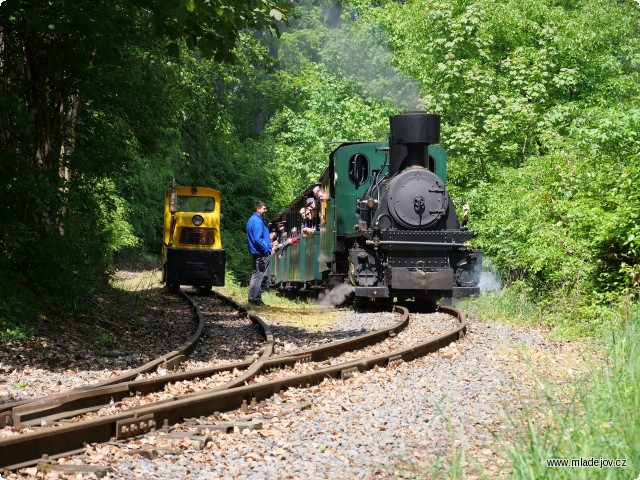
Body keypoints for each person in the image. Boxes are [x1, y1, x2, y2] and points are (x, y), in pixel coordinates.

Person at [246, 201, 272, 306]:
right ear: (258, 209)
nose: (266, 211)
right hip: (261, 253)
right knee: (260, 276)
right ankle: (256, 300)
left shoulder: (252, 220)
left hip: (257, 252)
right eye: (264, 209)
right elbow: (257, 238)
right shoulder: (257, 221)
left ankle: (252, 299)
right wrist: (265, 248)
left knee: (256, 275)